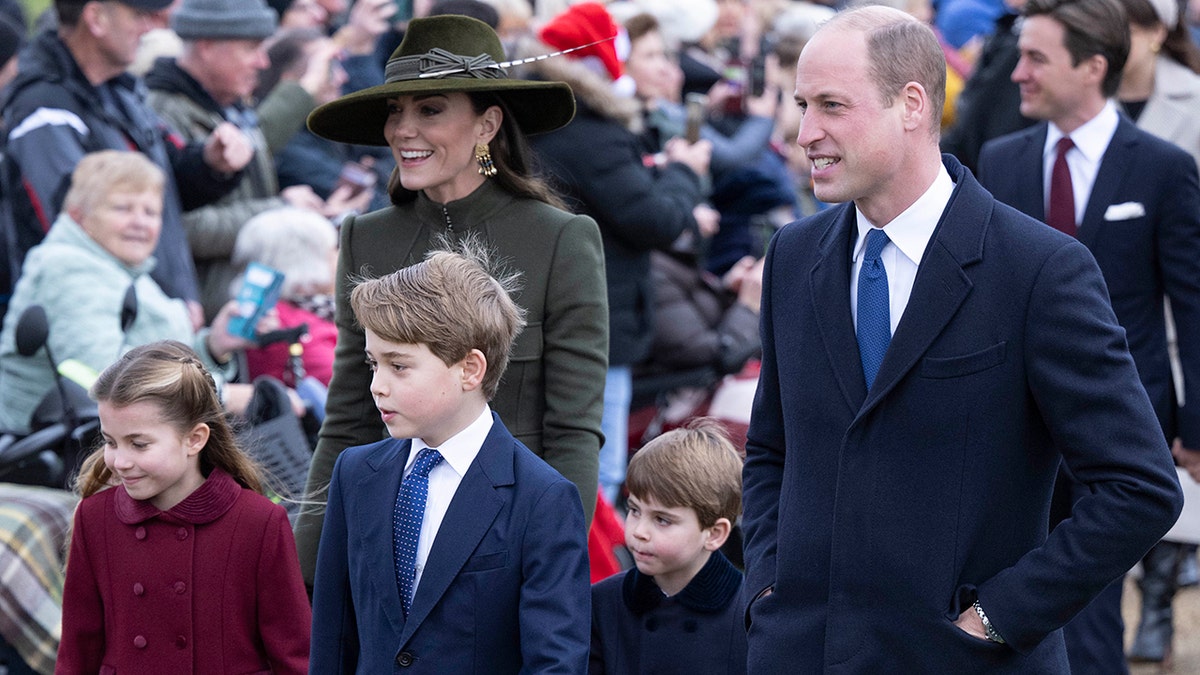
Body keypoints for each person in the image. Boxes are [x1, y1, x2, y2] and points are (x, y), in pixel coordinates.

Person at [742, 6, 1183, 671]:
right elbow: (773, 449)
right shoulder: (794, 254)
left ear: (912, 104)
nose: (805, 131)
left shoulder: (1038, 270)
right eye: (803, 104)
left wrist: (999, 617)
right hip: (803, 650)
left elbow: (1140, 486)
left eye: (832, 105)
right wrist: (771, 589)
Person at [293, 13, 607, 587]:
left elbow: (573, 430)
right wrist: (305, 573)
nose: (402, 129)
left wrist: (551, 567)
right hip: (388, 544)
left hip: (503, 543)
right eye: (395, 110)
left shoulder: (560, 239)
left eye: (430, 109)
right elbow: (346, 421)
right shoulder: (367, 237)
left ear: (487, 123)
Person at [976, 0, 1200, 668]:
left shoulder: (1161, 167)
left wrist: (1195, 420)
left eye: (1037, 58)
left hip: (1123, 418)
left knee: (1094, 605)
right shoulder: (1001, 159)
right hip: (1013, 425)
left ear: (1093, 66)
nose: (1019, 73)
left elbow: (1191, 302)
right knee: (1021, 590)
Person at [309, 246, 590, 673]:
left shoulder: (542, 499)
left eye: (399, 366)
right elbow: (334, 637)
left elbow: (555, 662)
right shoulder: (356, 472)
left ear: (469, 369)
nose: (377, 386)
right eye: (372, 364)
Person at [521, 2, 710, 506]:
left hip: (551, 310)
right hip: (596, 316)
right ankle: (589, 574)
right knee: (596, 470)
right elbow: (654, 221)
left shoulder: (535, 120)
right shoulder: (593, 133)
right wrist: (684, 172)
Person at [55, 340, 311, 674]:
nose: (119, 461)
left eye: (139, 444)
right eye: (110, 441)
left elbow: (295, 655)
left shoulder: (258, 522)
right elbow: (77, 651)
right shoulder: (94, 518)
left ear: (195, 439)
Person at [1, 0, 252, 324]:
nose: (148, 27)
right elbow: (81, 232)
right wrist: (164, 309)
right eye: (137, 15)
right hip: (96, 326)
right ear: (95, 17)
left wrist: (211, 161)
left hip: (148, 324)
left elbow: (168, 183)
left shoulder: (120, 92)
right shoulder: (44, 110)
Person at [0, 150, 262, 433]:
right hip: (45, 451)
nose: (140, 222)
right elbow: (105, 374)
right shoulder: (67, 267)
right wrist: (221, 394)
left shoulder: (123, 268)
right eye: (123, 208)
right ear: (79, 215)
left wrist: (212, 346)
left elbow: (151, 356)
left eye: (151, 212)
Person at [143, 0, 333, 321]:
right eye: (251, 49)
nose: (262, 62)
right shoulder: (164, 112)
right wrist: (279, 213)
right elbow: (176, 228)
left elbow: (261, 140)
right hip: (208, 316)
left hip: (236, 308)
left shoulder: (225, 104)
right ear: (206, 47)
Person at [589, 417, 746, 675]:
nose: (639, 532)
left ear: (715, 533)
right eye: (634, 510)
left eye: (662, 520)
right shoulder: (604, 604)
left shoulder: (748, 615)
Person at [232, 205, 338, 387]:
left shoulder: (311, 308)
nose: (340, 257)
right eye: (333, 251)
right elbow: (342, 382)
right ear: (307, 262)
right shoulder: (278, 324)